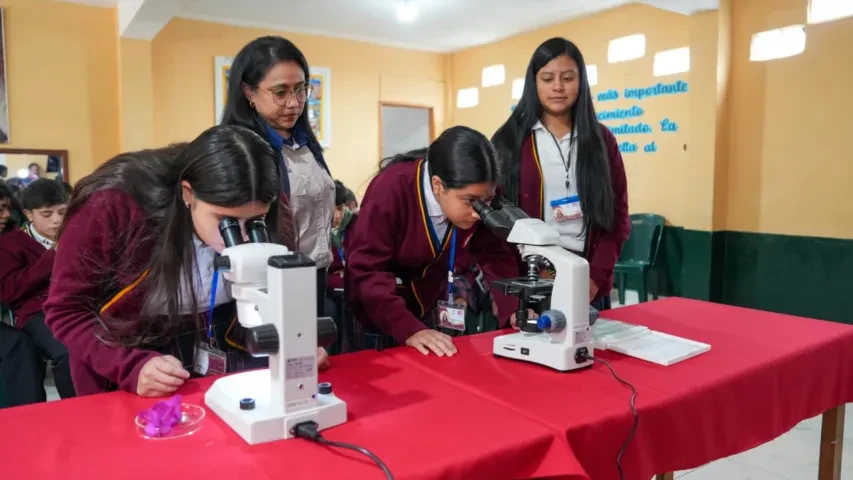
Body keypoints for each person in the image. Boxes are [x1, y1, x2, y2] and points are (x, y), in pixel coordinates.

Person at [44, 125, 329, 398]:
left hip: (226, 337)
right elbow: (67, 312)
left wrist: (296, 340)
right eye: (226, 221)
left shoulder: (259, 197)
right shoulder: (113, 205)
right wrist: (129, 366)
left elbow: (276, 291)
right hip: (132, 348)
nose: (241, 237)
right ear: (188, 193)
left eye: (254, 222)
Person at [345, 126, 522, 355]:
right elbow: (366, 269)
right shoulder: (392, 188)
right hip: (378, 310)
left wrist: (514, 309)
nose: (480, 212)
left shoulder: (478, 195)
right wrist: (408, 329)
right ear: (438, 185)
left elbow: (495, 254)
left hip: (428, 306)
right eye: (471, 201)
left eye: (487, 200)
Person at [491, 37, 630, 313]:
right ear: (534, 83)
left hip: (587, 277)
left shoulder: (602, 141)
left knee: (588, 354)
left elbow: (617, 218)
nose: (558, 87)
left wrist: (594, 278)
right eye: (547, 78)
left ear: (581, 81)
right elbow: (493, 226)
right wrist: (506, 298)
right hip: (529, 277)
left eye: (567, 77)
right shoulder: (508, 141)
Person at [221, 36, 334, 321]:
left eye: (300, 90)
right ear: (248, 91)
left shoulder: (304, 142)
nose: (294, 103)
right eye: (280, 92)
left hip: (314, 273)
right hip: (270, 281)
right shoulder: (239, 150)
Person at [0, 179, 75, 399]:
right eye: (47, 214)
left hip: (79, 305)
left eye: (62, 212)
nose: (57, 220)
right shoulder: (10, 243)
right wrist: (53, 256)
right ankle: (78, 411)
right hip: (37, 313)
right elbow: (8, 291)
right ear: (28, 214)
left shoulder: (76, 234)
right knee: (69, 352)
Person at [0, 182, 47, 406]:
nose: (6, 215)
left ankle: (28, 417)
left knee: (19, 344)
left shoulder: (11, 237)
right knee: (16, 345)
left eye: (7, 207)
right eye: (0, 209)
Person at [325, 180, 358, 354]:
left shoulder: (359, 224)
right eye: (331, 208)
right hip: (333, 286)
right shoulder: (318, 230)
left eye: (339, 207)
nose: (336, 215)